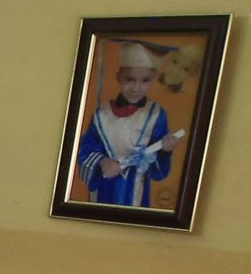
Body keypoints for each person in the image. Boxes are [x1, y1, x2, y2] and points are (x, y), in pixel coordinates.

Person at [75, 41, 178, 208]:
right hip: (104, 189)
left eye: (145, 81)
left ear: (153, 80)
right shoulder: (102, 114)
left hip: (136, 190)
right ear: (118, 78)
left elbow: (158, 171)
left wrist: (165, 150)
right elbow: (86, 147)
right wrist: (102, 161)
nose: (136, 88)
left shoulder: (156, 115)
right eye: (129, 79)